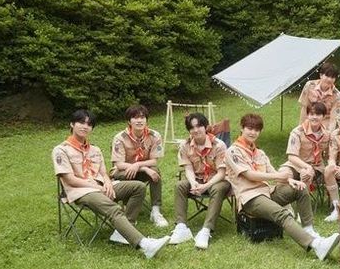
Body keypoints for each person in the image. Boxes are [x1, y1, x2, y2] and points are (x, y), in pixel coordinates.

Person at [52, 109, 169, 258]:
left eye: (89, 124)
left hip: (102, 187)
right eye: (81, 123)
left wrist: (107, 183)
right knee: (114, 209)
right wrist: (97, 187)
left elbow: (103, 173)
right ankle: (144, 245)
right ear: (72, 124)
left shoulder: (95, 149)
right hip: (81, 191)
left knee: (138, 187)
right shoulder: (61, 150)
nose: (85, 127)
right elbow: (69, 179)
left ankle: (124, 230)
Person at [225, 113, 340, 261]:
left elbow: (273, 172)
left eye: (256, 129)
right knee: (282, 214)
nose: (253, 132)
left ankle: (309, 230)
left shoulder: (259, 153)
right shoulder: (233, 151)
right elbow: (249, 175)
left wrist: (291, 181)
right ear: (242, 128)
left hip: (268, 192)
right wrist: (278, 177)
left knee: (301, 189)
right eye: (249, 128)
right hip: (250, 198)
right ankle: (316, 245)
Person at [169, 113, 231, 250]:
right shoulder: (185, 146)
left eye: (199, 126)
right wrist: (193, 183)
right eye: (192, 128)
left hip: (217, 180)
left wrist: (206, 186)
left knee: (217, 188)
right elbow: (188, 169)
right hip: (197, 179)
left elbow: (222, 173)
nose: (195, 130)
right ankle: (181, 227)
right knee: (180, 185)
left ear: (205, 127)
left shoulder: (219, 145)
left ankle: (206, 230)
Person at [110, 105, 168, 227]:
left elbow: (154, 161)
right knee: (142, 171)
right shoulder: (120, 138)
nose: (139, 121)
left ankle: (156, 211)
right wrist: (143, 168)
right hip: (123, 171)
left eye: (142, 117)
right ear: (129, 121)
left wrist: (138, 165)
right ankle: (128, 209)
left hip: (142, 170)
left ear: (146, 120)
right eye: (135, 118)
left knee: (155, 171)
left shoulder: (154, 135)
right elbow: (118, 164)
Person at [282, 102, 330, 187]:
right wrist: (306, 166)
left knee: (306, 174)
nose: (314, 117)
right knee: (282, 174)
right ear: (307, 115)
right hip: (296, 165)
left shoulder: (326, 134)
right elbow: (291, 156)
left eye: (318, 114)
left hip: (316, 167)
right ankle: (284, 197)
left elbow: (329, 155)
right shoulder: (297, 132)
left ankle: (303, 198)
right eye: (311, 114)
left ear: (324, 116)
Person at [298, 63, 340, 132]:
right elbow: (304, 108)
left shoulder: (337, 96)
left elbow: (334, 118)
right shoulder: (309, 86)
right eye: (327, 76)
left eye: (332, 77)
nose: (329, 79)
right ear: (321, 75)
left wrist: (329, 134)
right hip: (310, 120)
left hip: (326, 124)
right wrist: (301, 127)